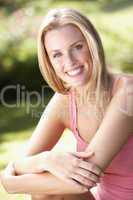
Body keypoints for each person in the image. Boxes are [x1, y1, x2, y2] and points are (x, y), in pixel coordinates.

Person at [1, 7, 133, 200]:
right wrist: (47, 159)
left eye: (77, 47)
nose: (69, 61)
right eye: (57, 54)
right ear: (49, 61)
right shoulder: (64, 101)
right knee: (43, 191)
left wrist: (11, 183)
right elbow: (21, 166)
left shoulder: (127, 92)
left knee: (48, 187)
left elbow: (84, 181)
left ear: (92, 44)